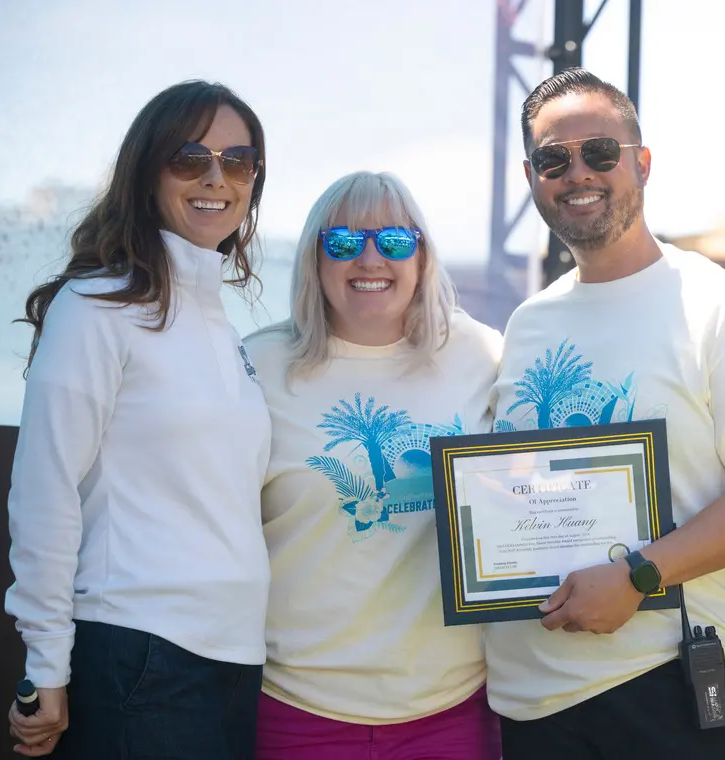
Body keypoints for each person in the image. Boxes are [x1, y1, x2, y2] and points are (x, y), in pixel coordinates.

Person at [487, 68, 725, 760]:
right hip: (531, 697)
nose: (577, 171)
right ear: (532, 176)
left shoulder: (716, 307)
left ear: (641, 162)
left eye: (600, 152)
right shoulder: (527, 325)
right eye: (555, 159)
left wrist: (641, 576)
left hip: (665, 687)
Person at [5, 80, 272, 759]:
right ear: (147, 171)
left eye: (237, 161)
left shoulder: (220, 322)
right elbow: (46, 490)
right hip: (138, 655)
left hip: (235, 662)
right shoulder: (96, 307)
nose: (217, 178)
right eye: (190, 158)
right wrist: (46, 668)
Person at [244, 171, 503, 760]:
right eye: (342, 242)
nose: (369, 259)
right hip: (295, 706)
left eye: (392, 241)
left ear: (421, 255)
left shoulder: (481, 355)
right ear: (315, 258)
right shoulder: (257, 365)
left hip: (452, 709)